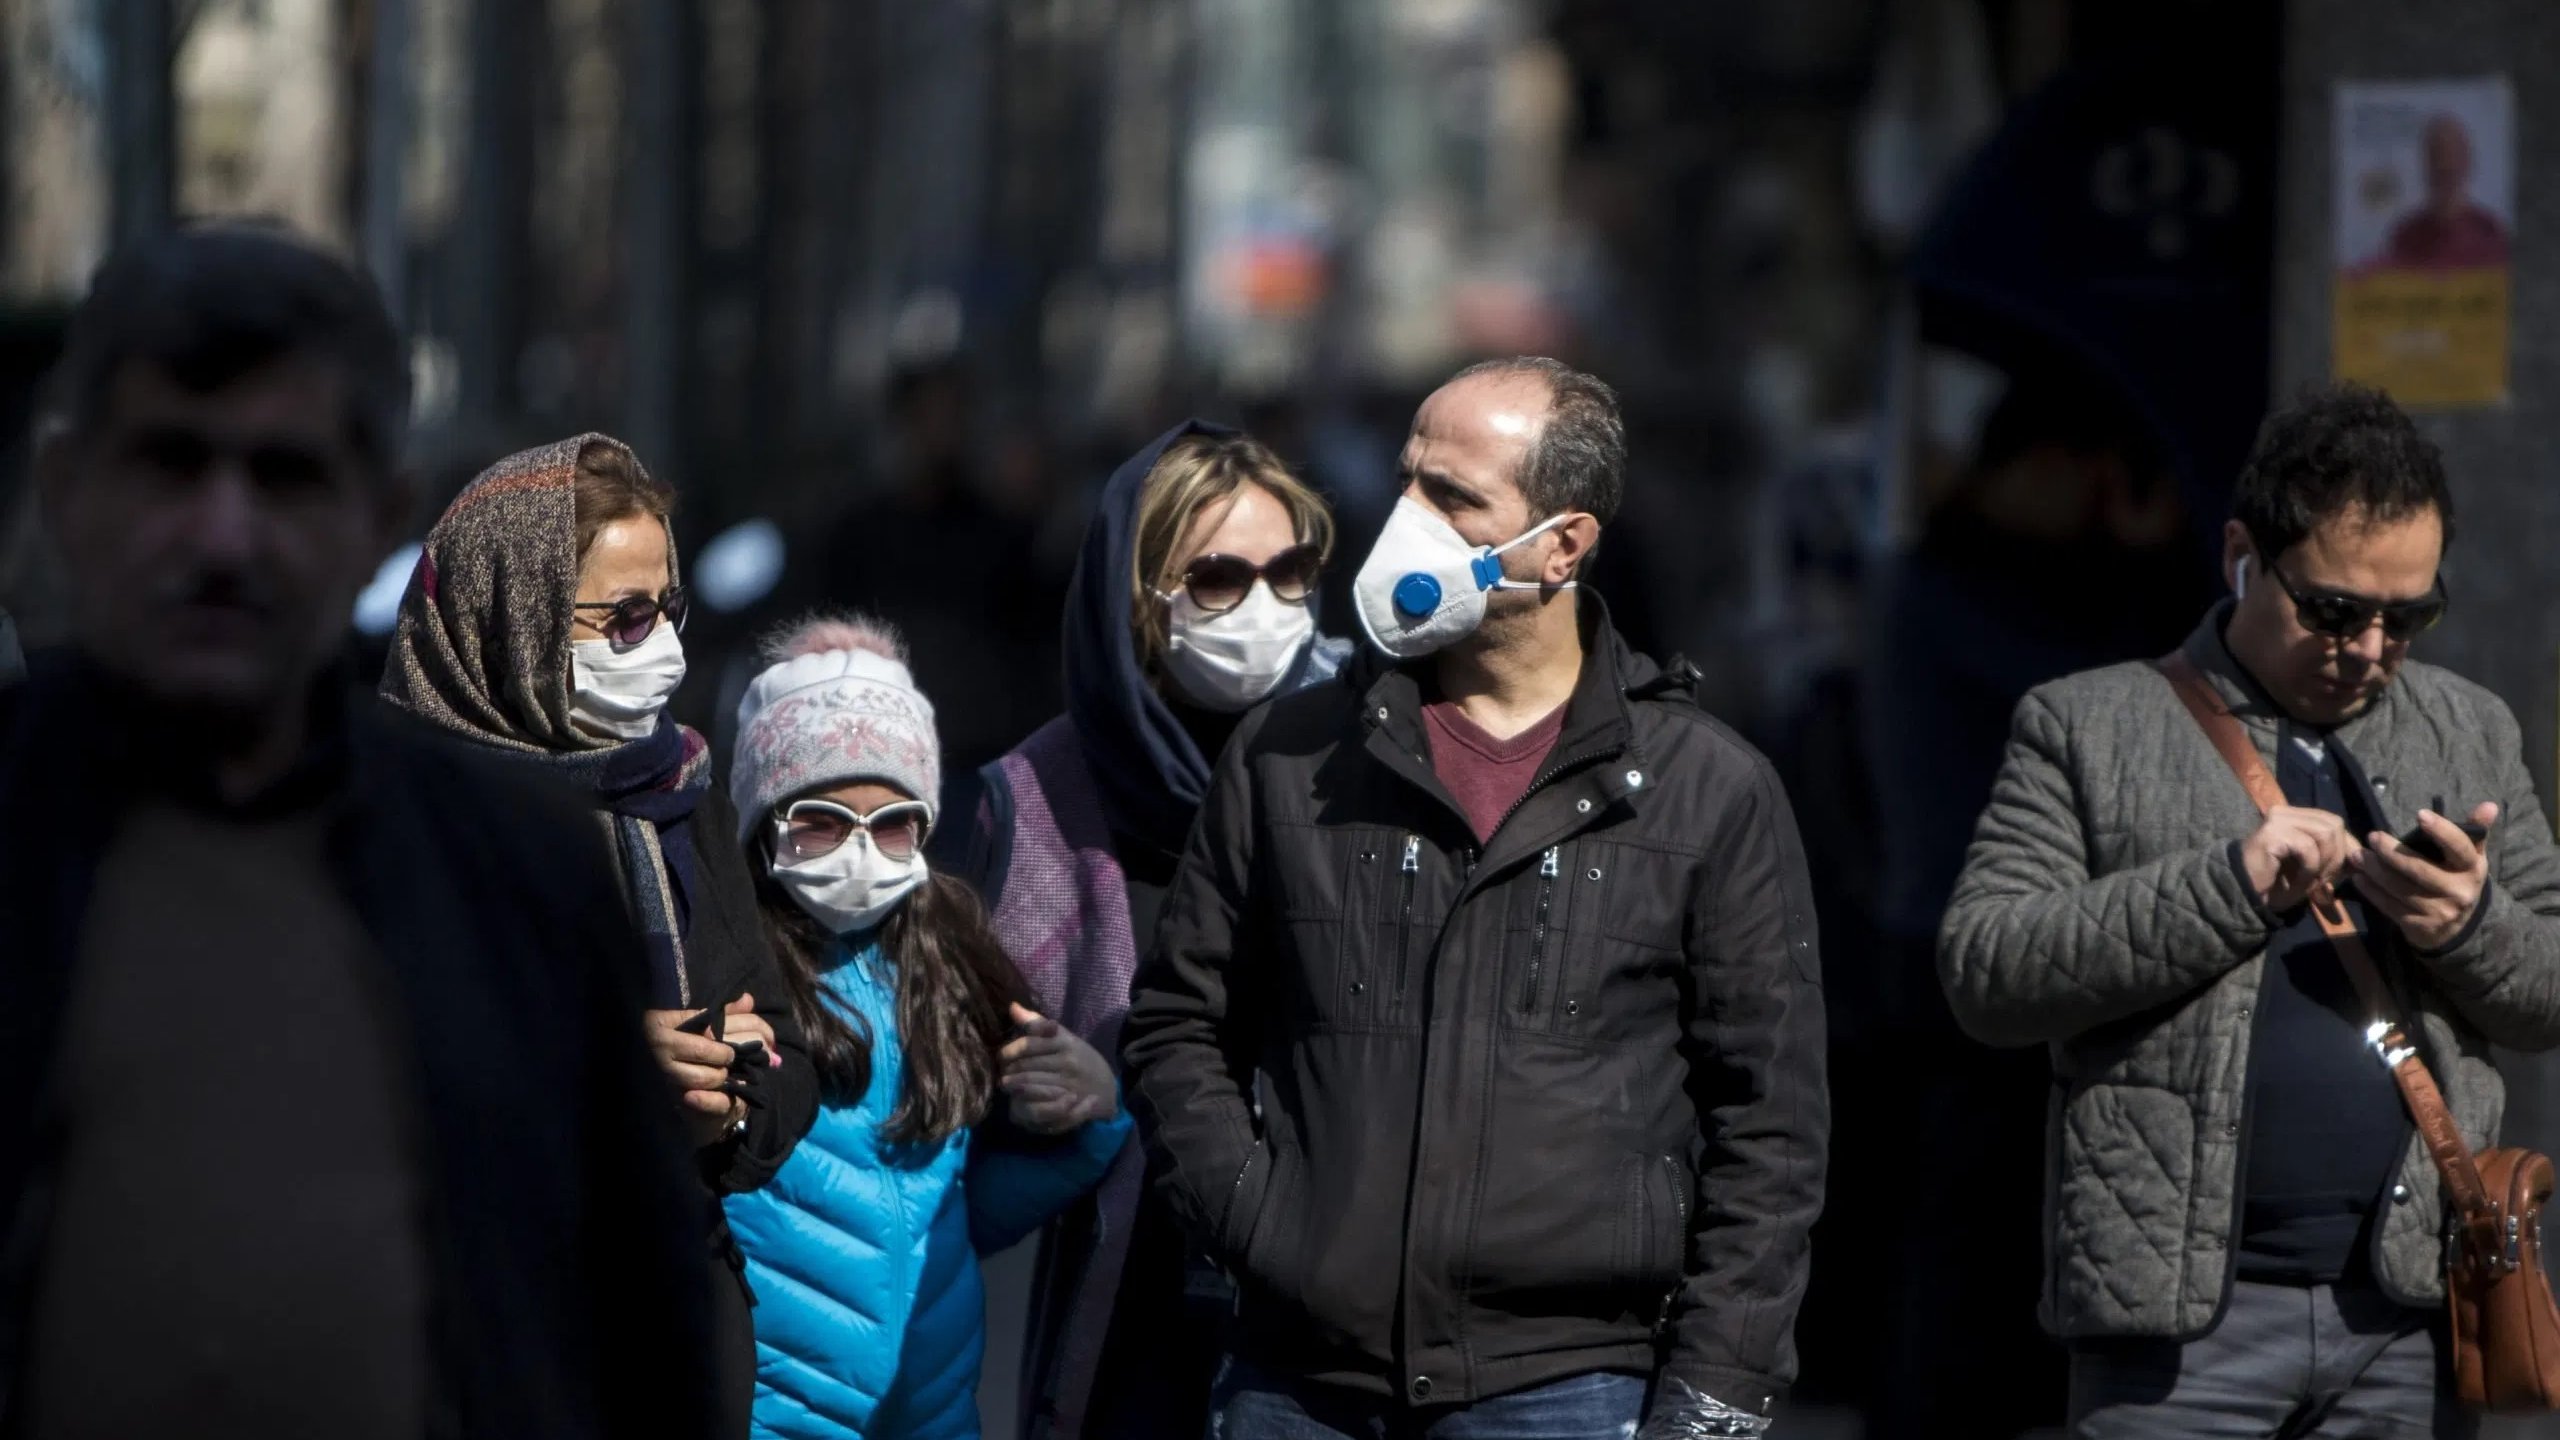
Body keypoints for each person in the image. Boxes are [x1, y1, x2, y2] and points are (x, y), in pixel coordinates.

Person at [0, 223, 712, 1436]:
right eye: (171, 465)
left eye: (285, 477)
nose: (224, 536)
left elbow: (637, 1340)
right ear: (69, 491)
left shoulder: (516, 880)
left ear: (381, 514)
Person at [1121, 357, 1829, 1439]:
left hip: (1568, 1389)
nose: (1404, 519)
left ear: (1563, 545)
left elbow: (1769, 1128)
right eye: (1407, 480)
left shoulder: (1704, 794)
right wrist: (1259, 1223)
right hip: (1295, 1385)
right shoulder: (1290, 756)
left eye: (1452, 499)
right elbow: (1178, 1022)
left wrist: (1714, 1396)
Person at [1940, 382, 2560, 1438]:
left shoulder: (2470, 730)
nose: (2367, 647)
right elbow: (1987, 970)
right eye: (2331, 610)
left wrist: (2466, 922)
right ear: (2242, 555)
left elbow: (2547, 992)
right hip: (2176, 1336)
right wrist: (2224, 886)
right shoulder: (2087, 725)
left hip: (2407, 1318)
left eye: (2407, 618)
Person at [382, 433, 818, 1437]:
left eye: (667, 607)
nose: (659, 643)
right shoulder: (407, 819)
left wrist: (728, 1097)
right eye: (621, 617)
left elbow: (784, 1043)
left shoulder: (678, 788)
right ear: (515, 615)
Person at [951, 420, 1351, 1439]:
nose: (1262, 608)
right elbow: (962, 1107)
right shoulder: (1041, 799)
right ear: (1141, 601)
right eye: (1217, 579)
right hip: (1133, 1321)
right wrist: (1069, 1100)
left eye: (1289, 571)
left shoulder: (1367, 764)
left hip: (1336, 1322)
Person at [721, 615, 1128, 1439]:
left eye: (893, 821)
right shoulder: (730, 984)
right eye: (822, 820)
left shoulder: (940, 968)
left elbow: (943, 1215)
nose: (860, 852)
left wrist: (1092, 1122)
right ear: (765, 823)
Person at [2380, 114, 2510, 272]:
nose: (2445, 164)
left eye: (2454, 159)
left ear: (2468, 163)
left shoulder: (2491, 235)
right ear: (2426, 166)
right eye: (2437, 158)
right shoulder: (2405, 237)